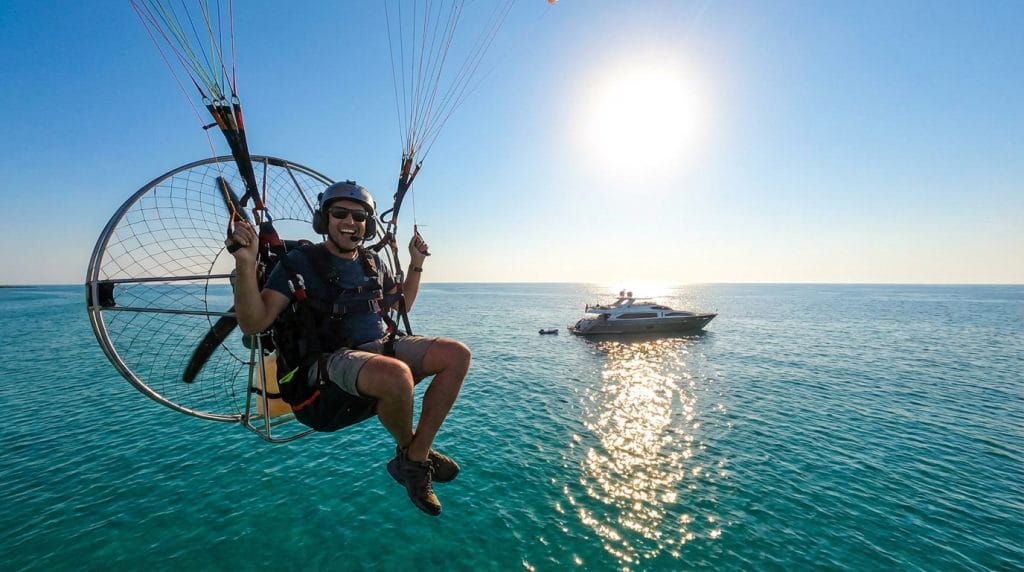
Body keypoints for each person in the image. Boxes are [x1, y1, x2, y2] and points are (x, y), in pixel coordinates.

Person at [225, 180, 471, 516]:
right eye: (340, 213)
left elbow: (401, 306)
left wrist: (416, 263)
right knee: (398, 376)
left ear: (368, 225)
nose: (349, 222)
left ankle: (414, 458)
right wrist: (245, 264)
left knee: (457, 354)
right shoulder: (299, 263)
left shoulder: (372, 262)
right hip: (330, 362)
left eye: (359, 217)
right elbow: (254, 323)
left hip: (381, 348)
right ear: (324, 219)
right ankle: (413, 456)